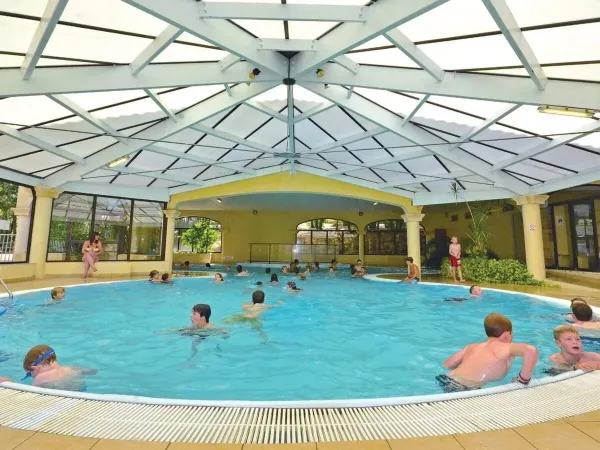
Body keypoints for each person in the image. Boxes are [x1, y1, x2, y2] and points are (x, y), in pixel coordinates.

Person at [437, 313, 538, 392]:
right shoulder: (506, 348)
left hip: (446, 380)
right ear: (507, 334)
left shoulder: (471, 347)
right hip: (467, 389)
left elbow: (447, 364)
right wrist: (522, 380)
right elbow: (531, 350)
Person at [22, 345, 96, 390]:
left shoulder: (40, 378)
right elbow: (93, 372)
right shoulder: (73, 369)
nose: (32, 377)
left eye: (29, 374)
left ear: (34, 368)